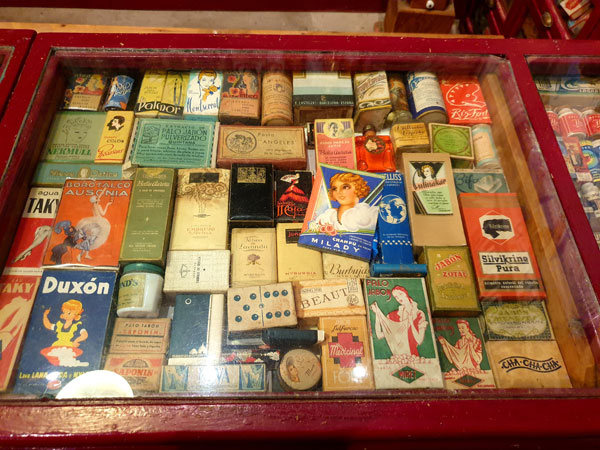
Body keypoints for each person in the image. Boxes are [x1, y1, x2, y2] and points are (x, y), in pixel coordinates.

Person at [370, 285, 428, 357]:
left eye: (400, 294)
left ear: (406, 293)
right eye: (396, 297)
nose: (399, 298)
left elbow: (419, 340)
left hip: (413, 356)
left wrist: (411, 323)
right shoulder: (394, 316)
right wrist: (377, 313)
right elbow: (379, 335)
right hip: (397, 358)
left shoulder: (419, 314)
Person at [312, 172, 378, 232]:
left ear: (358, 188)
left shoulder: (366, 213)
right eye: (335, 189)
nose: (339, 192)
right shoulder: (329, 215)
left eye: (345, 187)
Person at [74, 187, 112, 262]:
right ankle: (80, 255)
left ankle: (86, 254)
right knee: (90, 240)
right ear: (96, 200)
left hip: (93, 223)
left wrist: (103, 190)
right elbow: (103, 214)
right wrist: (108, 205)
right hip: (98, 224)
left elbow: (99, 196)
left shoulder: (93, 205)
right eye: (97, 198)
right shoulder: (97, 206)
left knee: (90, 240)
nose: (99, 198)